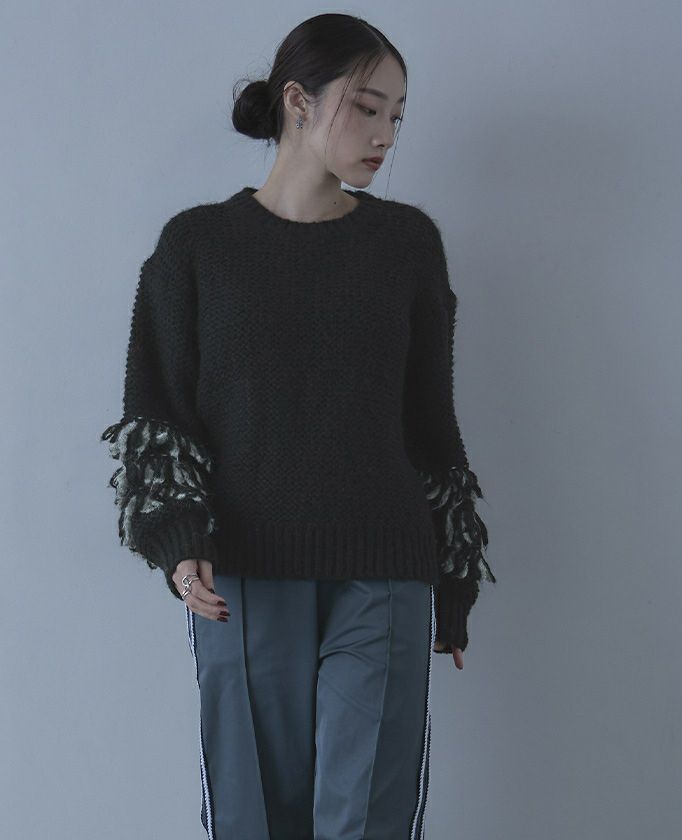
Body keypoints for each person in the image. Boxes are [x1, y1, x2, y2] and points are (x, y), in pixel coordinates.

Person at [100, 12, 495, 840]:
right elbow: (157, 408)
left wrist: (455, 575)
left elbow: (431, 420)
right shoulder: (197, 247)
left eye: (398, 116)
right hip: (242, 571)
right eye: (367, 107)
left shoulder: (406, 245)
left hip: (386, 568)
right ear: (298, 100)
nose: (385, 135)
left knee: (367, 818)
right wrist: (178, 538)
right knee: (255, 817)